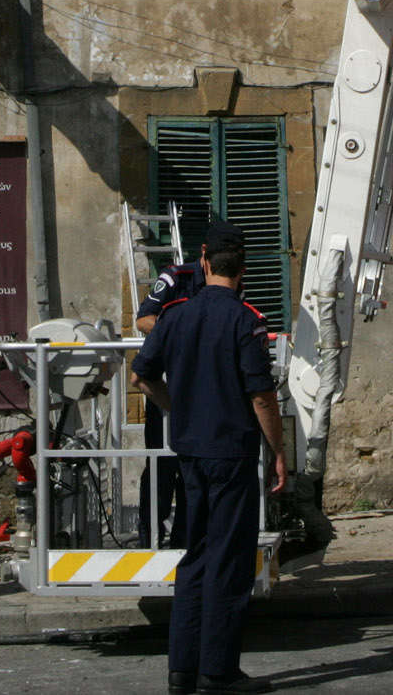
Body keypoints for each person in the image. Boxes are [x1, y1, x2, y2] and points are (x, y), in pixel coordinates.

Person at [131, 231, 288, 695]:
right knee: (229, 560)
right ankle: (218, 671)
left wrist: (177, 408)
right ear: (241, 274)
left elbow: (142, 376)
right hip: (232, 452)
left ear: (204, 265)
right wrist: (278, 451)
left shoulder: (175, 317)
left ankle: (182, 668)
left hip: (190, 451)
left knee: (194, 555)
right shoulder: (246, 320)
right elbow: (262, 396)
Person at [133, 226, 224, 548]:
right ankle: (149, 536)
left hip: (204, 392)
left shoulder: (233, 283)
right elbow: (144, 319)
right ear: (203, 255)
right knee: (160, 464)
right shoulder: (176, 278)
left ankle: (185, 540)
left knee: (194, 468)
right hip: (167, 388)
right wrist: (181, 333)